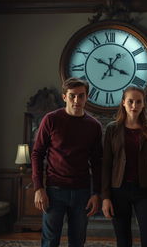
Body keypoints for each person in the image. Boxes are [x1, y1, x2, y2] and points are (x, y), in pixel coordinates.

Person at [31, 77, 102, 247]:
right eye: (72, 96)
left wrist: (96, 193)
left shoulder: (94, 126)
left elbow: (97, 162)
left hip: (82, 192)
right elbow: (37, 154)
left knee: (78, 241)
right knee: (49, 241)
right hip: (54, 191)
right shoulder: (51, 120)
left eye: (81, 96)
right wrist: (38, 188)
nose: (76, 100)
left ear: (87, 97)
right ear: (64, 97)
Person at [101, 86, 147, 247]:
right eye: (130, 101)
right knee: (123, 241)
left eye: (138, 102)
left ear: (143, 104)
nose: (134, 105)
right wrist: (106, 197)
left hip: (145, 191)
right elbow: (106, 165)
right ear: (123, 103)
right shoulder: (112, 129)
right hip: (118, 191)